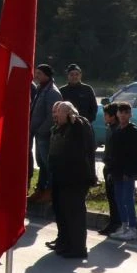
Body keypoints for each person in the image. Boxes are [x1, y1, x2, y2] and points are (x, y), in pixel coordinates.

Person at [47, 101, 96, 259]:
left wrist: (73, 117)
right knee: (63, 213)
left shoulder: (78, 124)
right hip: (61, 177)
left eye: (59, 112)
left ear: (68, 113)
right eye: (54, 112)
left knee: (74, 214)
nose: (55, 115)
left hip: (75, 178)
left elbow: (81, 131)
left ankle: (78, 248)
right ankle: (65, 243)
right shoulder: (58, 128)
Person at [102, 103, 137, 241]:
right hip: (116, 172)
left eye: (126, 112)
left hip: (127, 172)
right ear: (117, 115)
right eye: (121, 112)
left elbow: (135, 155)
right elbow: (114, 154)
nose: (123, 115)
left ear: (130, 114)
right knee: (119, 199)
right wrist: (111, 170)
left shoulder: (132, 132)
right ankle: (124, 226)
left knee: (128, 200)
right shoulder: (117, 131)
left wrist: (130, 171)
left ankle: (132, 228)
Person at [28, 64, 61, 202]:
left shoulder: (52, 92)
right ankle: (40, 189)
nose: (37, 76)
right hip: (38, 133)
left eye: (39, 73)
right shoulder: (41, 89)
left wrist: (41, 130)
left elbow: (51, 116)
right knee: (41, 163)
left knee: (48, 164)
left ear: (47, 75)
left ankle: (49, 191)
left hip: (45, 135)